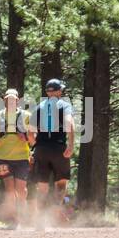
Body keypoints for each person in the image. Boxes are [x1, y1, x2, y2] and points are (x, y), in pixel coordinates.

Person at [28, 78, 76, 226]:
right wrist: (71, 145)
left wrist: (37, 146)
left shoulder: (38, 107)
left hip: (41, 149)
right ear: (57, 91)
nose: (62, 91)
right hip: (59, 148)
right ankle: (55, 212)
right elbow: (69, 124)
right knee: (61, 183)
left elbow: (30, 133)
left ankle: (41, 220)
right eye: (60, 89)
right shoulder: (65, 106)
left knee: (42, 186)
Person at [0, 88, 33, 228]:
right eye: (8, 99)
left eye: (13, 99)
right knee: (9, 189)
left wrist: (25, 137)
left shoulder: (26, 116)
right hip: (2, 157)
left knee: (21, 190)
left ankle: (23, 215)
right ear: (4, 100)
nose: (11, 102)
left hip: (21, 157)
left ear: (17, 100)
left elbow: (33, 139)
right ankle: (14, 220)